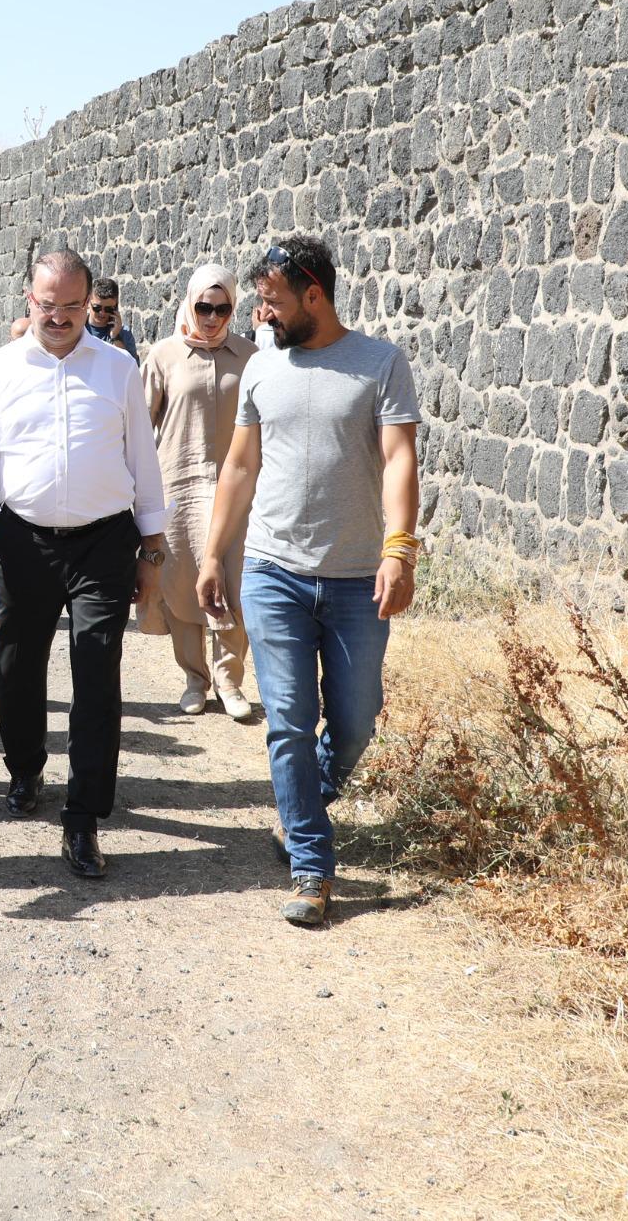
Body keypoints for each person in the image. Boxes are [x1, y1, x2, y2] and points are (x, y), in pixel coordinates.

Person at [198, 233, 421, 929]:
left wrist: (400, 551)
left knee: (355, 722)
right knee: (289, 722)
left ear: (314, 296)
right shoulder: (262, 368)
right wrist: (213, 554)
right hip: (273, 572)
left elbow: (399, 459)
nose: (261, 314)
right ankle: (312, 865)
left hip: (356, 579)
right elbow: (240, 466)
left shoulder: (380, 363)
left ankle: (302, 807)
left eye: (272, 301)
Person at [0, 249, 166, 880]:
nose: (61, 317)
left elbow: (143, 462)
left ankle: (83, 816)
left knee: (97, 667)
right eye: (49, 305)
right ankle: (25, 768)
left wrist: (152, 552)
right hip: (25, 541)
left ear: (88, 304)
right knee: (17, 664)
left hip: (105, 542)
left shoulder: (119, 368)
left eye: (73, 306)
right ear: (30, 300)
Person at [139, 264, 260, 720]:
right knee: (182, 585)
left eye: (222, 309)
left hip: (237, 490)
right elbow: (139, 426)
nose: (212, 317)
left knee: (235, 580)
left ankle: (230, 681)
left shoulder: (249, 357)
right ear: (190, 303)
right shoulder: (164, 356)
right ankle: (195, 679)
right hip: (179, 488)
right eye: (204, 307)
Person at [85, 278, 138, 359]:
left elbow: (131, 365)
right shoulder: (78, 329)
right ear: (88, 302)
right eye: (97, 308)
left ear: (115, 307)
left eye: (108, 309)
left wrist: (115, 337)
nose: (102, 313)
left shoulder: (124, 334)